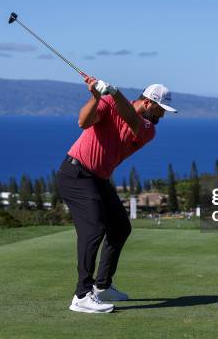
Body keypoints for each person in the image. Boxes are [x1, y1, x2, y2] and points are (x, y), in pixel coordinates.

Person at [57, 76, 177, 313]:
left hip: (98, 179)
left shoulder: (147, 129)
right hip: (76, 174)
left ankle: (102, 286)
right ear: (149, 102)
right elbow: (83, 122)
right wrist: (97, 97)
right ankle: (82, 295)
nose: (162, 115)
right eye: (161, 109)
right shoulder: (110, 103)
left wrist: (114, 92)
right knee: (94, 229)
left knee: (120, 227)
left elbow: (130, 117)